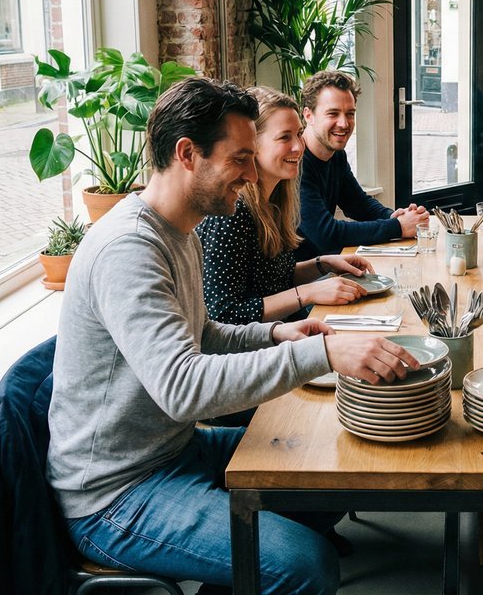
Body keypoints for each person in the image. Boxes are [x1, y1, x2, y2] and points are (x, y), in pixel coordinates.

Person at [47, 77, 420, 592]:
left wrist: (277, 335)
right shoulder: (128, 249)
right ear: (187, 154)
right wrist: (323, 352)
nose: (250, 174)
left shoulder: (180, 230)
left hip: (175, 451)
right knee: (306, 565)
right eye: (240, 159)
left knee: (335, 470)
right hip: (116, 493)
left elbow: (203, 333)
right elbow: (183, 388)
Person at [198, 87, 373, 325]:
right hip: (260, 343)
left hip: (285, 328)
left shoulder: (275, 201)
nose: (299, 146)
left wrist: (323, 264)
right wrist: (308, 293)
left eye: (299, 134)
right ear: (252, 145)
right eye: (284, 137)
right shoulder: (233, 213)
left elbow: (276, 279)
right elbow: (224, 314)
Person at [296, 70, 428, 259]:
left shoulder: (336, 155)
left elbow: (358, 204)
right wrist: (398, 227)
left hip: (326, 265)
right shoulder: (295, 161)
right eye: (333, 113)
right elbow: (326, 235)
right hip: (303, 273)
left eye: (350, 114)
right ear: (308, 115)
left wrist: (394, 216)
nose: (344, 123)